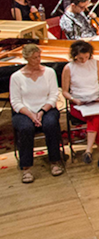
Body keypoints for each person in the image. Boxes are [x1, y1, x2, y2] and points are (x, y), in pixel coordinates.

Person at [10, 44, 64, 183]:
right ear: (27, 59)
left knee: (51, 124)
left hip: (46, 109)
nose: (38, 60)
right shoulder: (16, 77)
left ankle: (55, 161)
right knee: (26, 128)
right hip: (24, 112)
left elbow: (53, 96)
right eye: (34, 58)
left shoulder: (49, 72)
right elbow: (15, 102)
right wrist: (31, 115)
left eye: (39, 56)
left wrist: (41, 112)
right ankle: (26, 168)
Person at [60, 40, 99, 167]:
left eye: (86, 57)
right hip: (79, 104)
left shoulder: (96, 64)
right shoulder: (68, 68)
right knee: (97, 118)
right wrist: (74, 100)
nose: (84, 60)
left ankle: (89, 150)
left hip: (95, 101)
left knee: (96, 116)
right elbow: (65, 92)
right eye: (80, 58)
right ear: (74, 55)